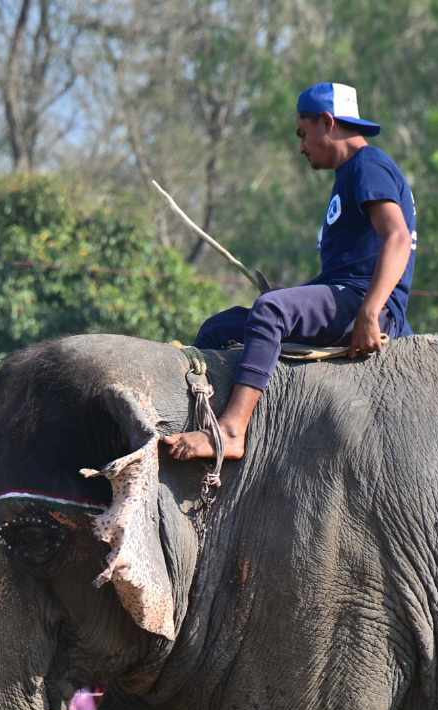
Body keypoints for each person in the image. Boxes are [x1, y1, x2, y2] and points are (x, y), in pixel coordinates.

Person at [165, 82, 415, 464]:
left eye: (303, 133)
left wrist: (369, 312)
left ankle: (231, 432)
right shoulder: (349, 175)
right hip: (346, 293)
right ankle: (202, 416)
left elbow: (397, 237)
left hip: (366, 303)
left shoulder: (368, 166)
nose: (301, 146)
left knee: (271, 310)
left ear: (327, 122)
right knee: (223, 327)